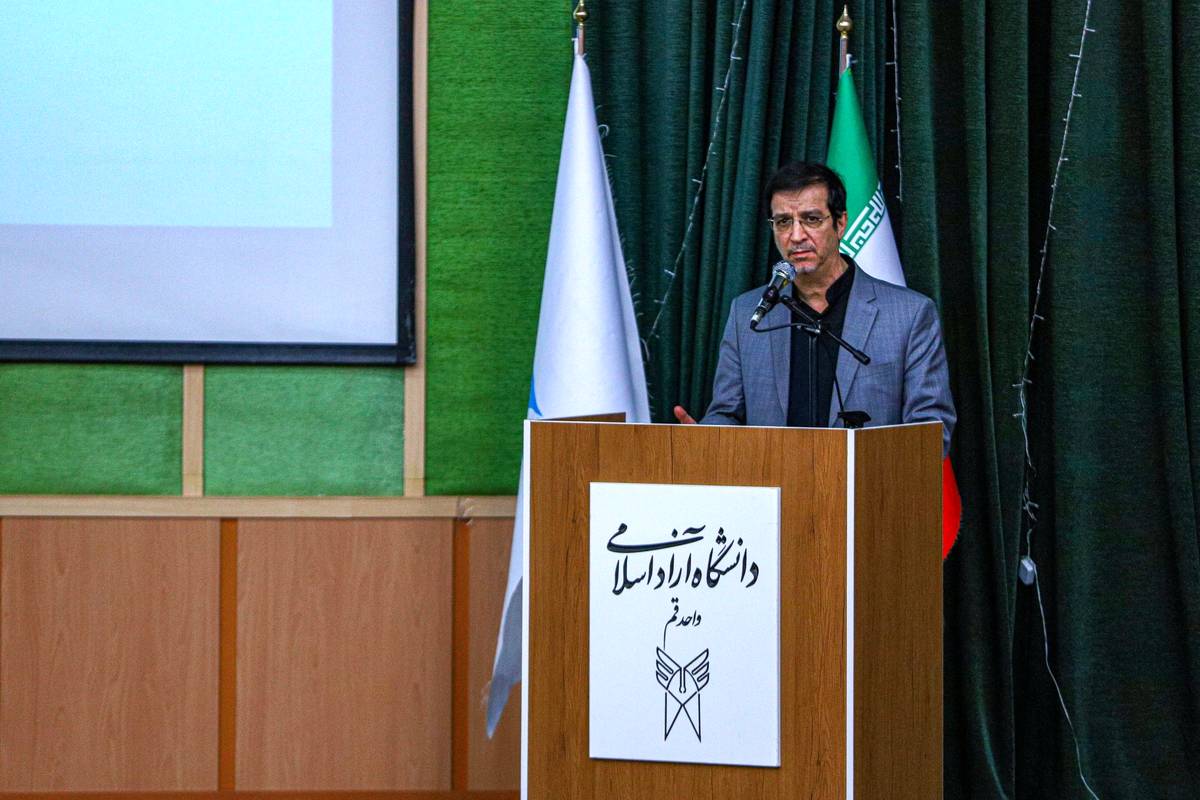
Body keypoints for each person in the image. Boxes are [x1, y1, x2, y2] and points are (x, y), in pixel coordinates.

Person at [673, 161, 955, 456]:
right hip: (775, 483)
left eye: (811, 219)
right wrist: (707, 440)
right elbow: (727, 415)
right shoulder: (748, 314)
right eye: (783, 222)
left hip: (868, 483)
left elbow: (931, 431)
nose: (796, 236)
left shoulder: (909, 315)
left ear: (840, 223)